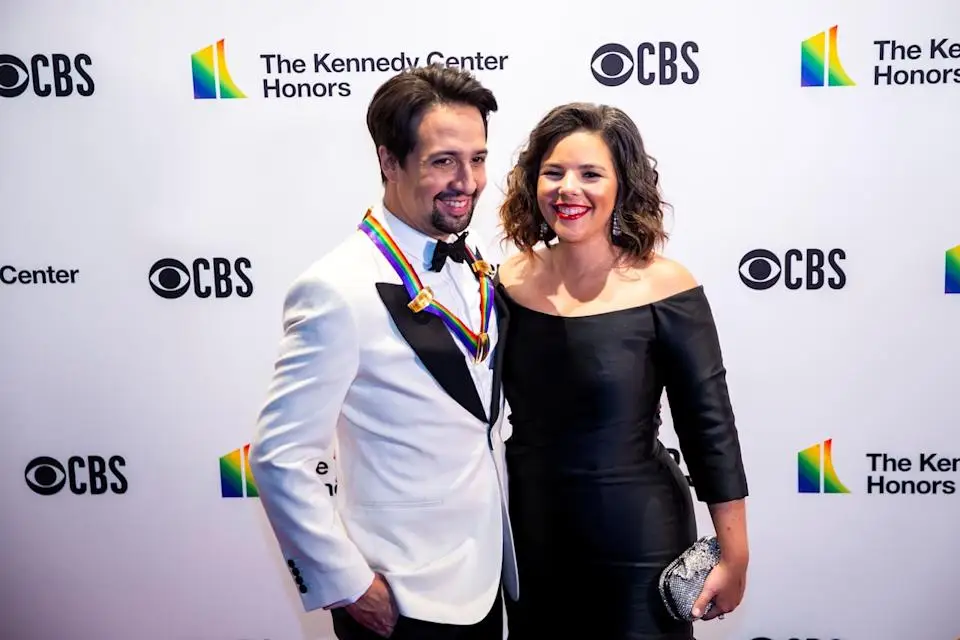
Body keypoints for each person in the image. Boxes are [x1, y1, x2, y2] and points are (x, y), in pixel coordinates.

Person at [248, 64, 518, 640]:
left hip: (490, 581)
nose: (467, 181)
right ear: (389, 161)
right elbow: (278, 456)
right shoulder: (335, 288)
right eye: (443, 160)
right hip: (401, 597)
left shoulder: (478, 269)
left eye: (477, 158)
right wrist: (347, 584)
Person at [495, 102, 750, 639]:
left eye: (591, 174)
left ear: (623, 186)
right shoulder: (504, 282)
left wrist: (735, 552)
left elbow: (710, 429)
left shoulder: (667, 287)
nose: (569, 189)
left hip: (640, 539)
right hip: (529, 530)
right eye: (554, 172)